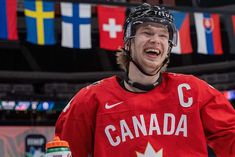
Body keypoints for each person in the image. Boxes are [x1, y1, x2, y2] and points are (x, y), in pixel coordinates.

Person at [55, 3, 235, 157]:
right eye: (147, 33)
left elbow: (230, 137)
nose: (156, 40)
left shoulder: (193, 91)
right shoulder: (89, 99)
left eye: (163, 35)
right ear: (128, 42)